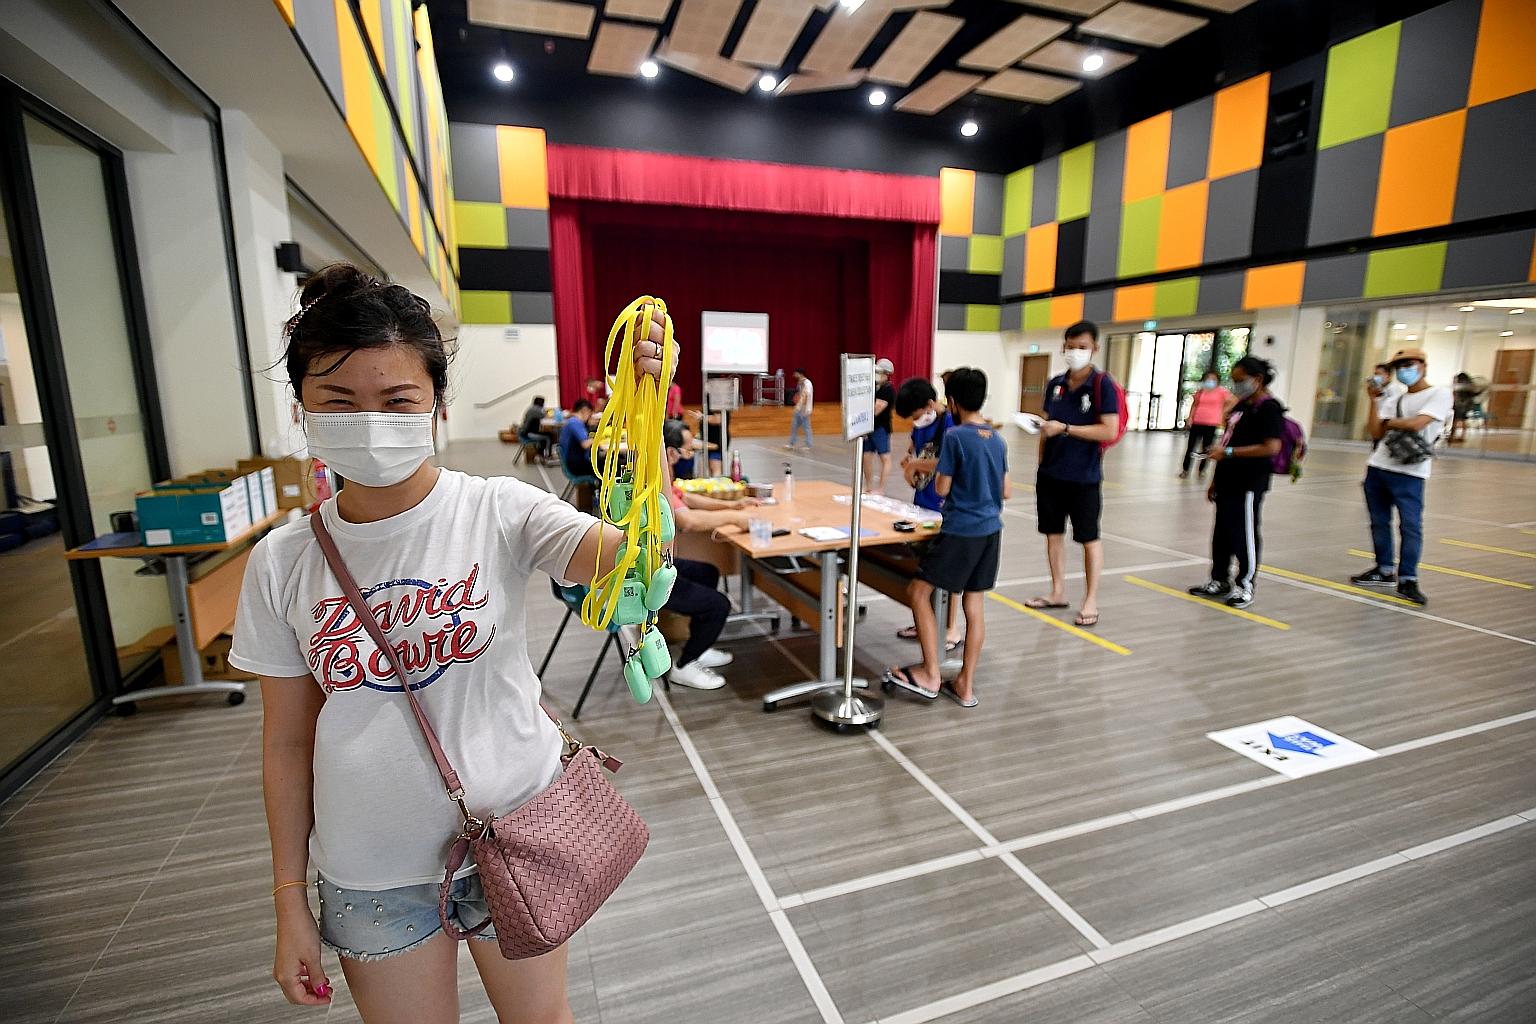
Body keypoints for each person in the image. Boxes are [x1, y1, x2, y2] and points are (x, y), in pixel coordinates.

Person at [229, 263, 674, 1023]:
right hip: (371, 867)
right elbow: (286, 742)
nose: (371, 420)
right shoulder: (284, 559)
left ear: (434, 402)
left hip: (517, 830)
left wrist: (652, 413)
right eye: (339, 401)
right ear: (302, 410)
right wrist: (288, 901)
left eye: (397, 400)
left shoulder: (500, 509)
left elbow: (639, 557)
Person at [884, 367, 1008, 708]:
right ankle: (965, 685)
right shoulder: (997, 438)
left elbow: (942, 487)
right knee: (975, 604)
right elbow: (1006, 489)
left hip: (961, 530)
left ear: (951, 401)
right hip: (991, 531)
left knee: (918, 591)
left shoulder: (956, 438)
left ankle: (931, 673)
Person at [1028, 320, 1121, 628]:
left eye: (1082, 347)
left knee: (1088, 538)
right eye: (1070, 346)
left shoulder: (1102, 385)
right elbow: (1047, 425)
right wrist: (1042, 459)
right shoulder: (1055, 383)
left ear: (1094, 348)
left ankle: (1090, 599)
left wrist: (1066, 428)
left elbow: (1108, 429)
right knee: (1053, 535)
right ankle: (1057, 591)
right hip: (1051, 475)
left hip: (1084, 477)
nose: (1075, 352)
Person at [659, 421, 757, 689]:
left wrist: (732, 504)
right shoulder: (655, 479)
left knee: (708, 572)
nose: (690, 455)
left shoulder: (664, 473)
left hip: (661, 562)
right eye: (687, 450)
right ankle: (684, 665)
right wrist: (735, 517)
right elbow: (687, 520)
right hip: (650, 573)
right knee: (718, 605)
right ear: (670, 452)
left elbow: (688, 499)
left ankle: (698, 646)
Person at [1350, 347, 1452, 605]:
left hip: (1411, 472)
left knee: (1410, 526)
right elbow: (1374, 431)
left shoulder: (1439, 394)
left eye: (1409, 364)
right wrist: (1373, 400)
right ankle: (1384, 569)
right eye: (1400, 366)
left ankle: (1408, 578)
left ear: (1423, 365)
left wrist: (1389, 423)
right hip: (1379, 467)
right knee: (1378, 522)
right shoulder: (1393, 399)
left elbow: (1418, 423)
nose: (1404, 370)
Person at [1187, 355, 1284, 609]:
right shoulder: (1241, 406)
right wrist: (1215, 480)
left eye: (1241, 380)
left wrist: (1230, 454)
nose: (1236, 385)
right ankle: (1219, 579)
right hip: (1228, 480)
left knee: (1245, 535)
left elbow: (1271, 446)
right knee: (1222, 533)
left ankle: (1245, 585)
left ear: (1258, 379)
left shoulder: (1269, 408)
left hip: (1249, 482)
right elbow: (1227, 441)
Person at [893, 376, 963, 652]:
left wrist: (916, 464)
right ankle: (923, 622)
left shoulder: (949, 425)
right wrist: (909, 460)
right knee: (921, 567)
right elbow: (914, 449)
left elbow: (946, 461)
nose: (916, 419)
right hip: (921, 503)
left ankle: (950, 627)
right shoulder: (920, 425)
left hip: (944, 507)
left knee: (947, 571)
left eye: (917, 413)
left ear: (931, 404)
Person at [1181, 371, 1231, 478]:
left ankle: (1202, 469)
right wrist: (1190, 418)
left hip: (1211, 423)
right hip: (1197, 421)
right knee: (1191, 446)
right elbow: (1194, 405)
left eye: (1213, 379)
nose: (1210, 381)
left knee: (1206, 448)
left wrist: (1223, 412)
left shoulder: (1221, 392)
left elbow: (1232, 401)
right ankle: (1185, 469)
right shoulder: (1200, 391)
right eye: (1208, 379)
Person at [865, 358, 896, 493]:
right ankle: (868, 486)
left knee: (885, 457)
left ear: (886, 373)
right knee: (866, 457)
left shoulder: (888, 390)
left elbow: (877, 409)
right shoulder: (874, 387)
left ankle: (881, 488)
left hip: (880, 428)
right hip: (869, 428)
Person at [1365, 362, 1402, 449]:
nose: (1376, 377)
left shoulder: (1393, 389)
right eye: (1375, 374)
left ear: (1388, 375)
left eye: (1379, 374)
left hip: (1386, 425)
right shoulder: (1381, 389)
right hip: (1378, 423)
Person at [558, 399, 597, 481]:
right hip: (576, 465)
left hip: (572, 462)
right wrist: (599, 438)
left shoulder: (571, 421)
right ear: (584, 410)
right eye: (590, 413)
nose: (589, 417)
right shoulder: (575, 423)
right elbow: (585, 444)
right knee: (607, 468)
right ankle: (602, 492)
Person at [518, 396, 553, 462]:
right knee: (549, 436)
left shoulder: (531, 408)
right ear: (541, 403)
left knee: (545, 435)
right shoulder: (536, 410)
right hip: (528, 434)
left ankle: (540, 454)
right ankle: (548, 456)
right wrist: (548, 411)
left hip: (526, 432)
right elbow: (544, 415)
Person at [787, 368, 813, 450]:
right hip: (799, 409)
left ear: (800, 374)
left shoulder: (807, 383)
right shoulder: (800, 383)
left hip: (804, 409)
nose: (794, 375)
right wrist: (797, 405)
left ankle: (808, 445)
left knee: (806, 427)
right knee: (794, 426)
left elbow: (806, 395)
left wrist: (803, 408)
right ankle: (792, 443)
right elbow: (800, 394)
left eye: (796, 373)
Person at [1449, 371, 1478, 444]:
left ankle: (1452, 436)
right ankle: (1462, 436)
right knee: (1463, 420)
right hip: (1467, 406)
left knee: (1455, 420)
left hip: (1460, 405)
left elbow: (1455, 395)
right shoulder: (1470, 386)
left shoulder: (1460, 386)